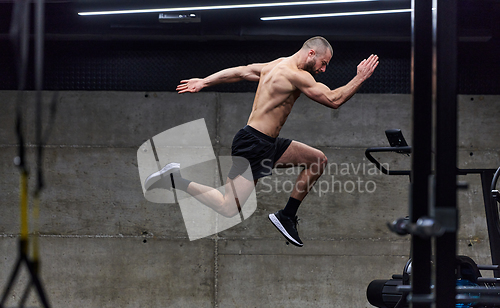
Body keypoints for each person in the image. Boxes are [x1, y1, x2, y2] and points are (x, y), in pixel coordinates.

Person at [147, 36, 379, 247]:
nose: (324, 69)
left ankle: (286, 216)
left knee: (317, 160)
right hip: (253, 145)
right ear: (311, 54)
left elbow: (241, 71)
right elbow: (333, 99)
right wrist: (360, 77)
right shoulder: (295, 74)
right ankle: (174, 178)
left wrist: (205, 82)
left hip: (268, 143)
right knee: (229, 207)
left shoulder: (275, 65)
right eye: (323, 63)